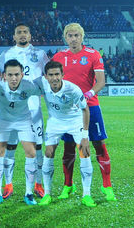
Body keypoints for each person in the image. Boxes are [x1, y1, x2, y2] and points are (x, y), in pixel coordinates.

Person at [52, 23, 116, 201]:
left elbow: (101, 81)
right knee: (69, 148)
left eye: (76, 35)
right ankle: (68, 185)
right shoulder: (59, 56)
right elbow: (53, 81)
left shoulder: (93, 55)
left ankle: (107, 186)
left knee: (98, 144)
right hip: (67, 110)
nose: (73, 39)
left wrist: (89, 93)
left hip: (91, 106)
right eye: (70, 36)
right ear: (65, 37)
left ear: (82, 36)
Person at [0, 23, 49, 199]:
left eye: (25, 32)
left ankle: (38, 183)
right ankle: (8, 184)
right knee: (9, 146)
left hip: (34, 108)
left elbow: (48, 77)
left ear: (30, 35)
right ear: (14, 36)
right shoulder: (7, 54)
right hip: (12, 109)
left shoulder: (40, 54)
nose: (22, 35)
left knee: (37, 147)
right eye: (18, 32)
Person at [37, 61, 96, 207]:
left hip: (75, 121)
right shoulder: (42, 84)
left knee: (84, 152)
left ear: (62, 75)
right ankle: (47, 194)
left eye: (57, 74)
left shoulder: (73, 89)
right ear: (46, 76)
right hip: (55, 121)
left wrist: (85, 136)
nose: (54, 78)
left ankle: (87, 195)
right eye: (51, 75)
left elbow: (85, 110)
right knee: (49, 153)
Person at [0, 59, 42, 206]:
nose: (13, 78)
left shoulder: (29, 85)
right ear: (4, 75)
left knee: (31, 153)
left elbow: (46, 87)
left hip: (24, 120)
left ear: (22, 75)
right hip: (3, 121)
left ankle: (29, 193)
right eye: (10, 74)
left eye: (17, 74)